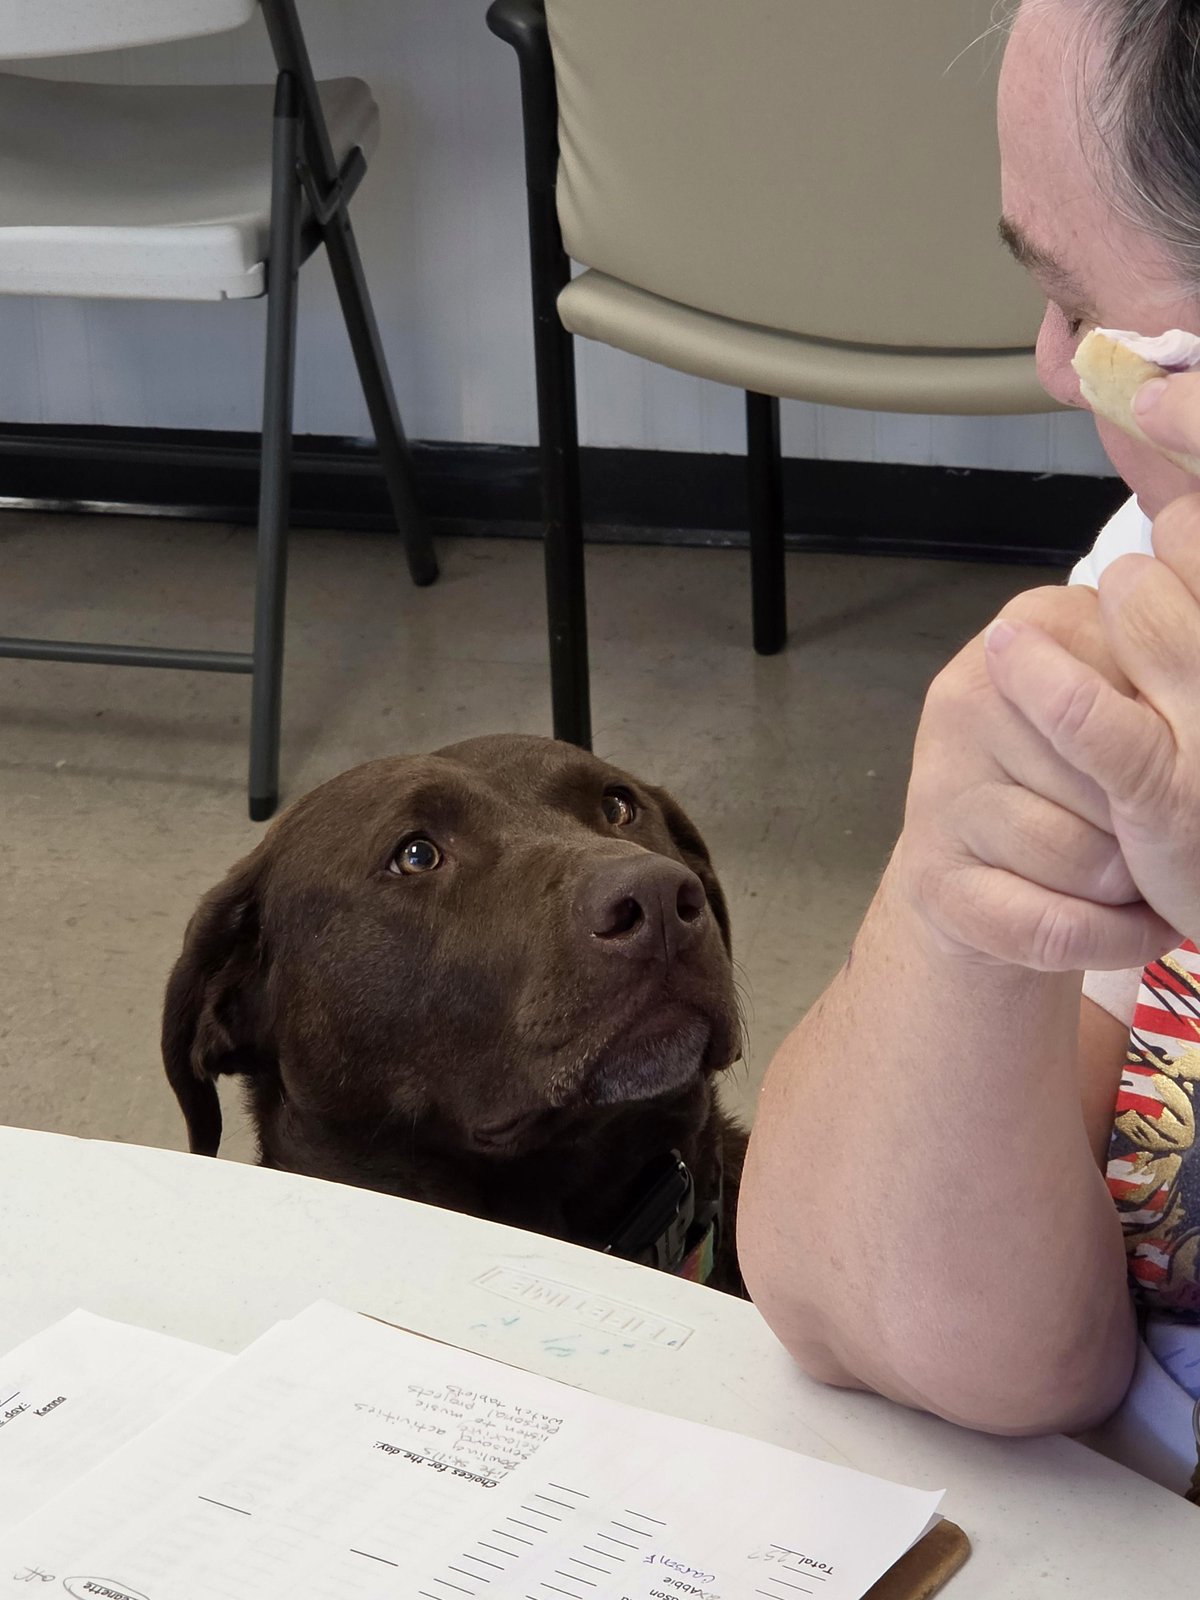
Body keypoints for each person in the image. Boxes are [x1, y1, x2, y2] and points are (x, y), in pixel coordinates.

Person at [736, 0, 1200, 1497]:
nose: (1056, 369)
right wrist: (959, 918)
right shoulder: (1156, 568)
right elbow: (885, 1314)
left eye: (1100, 327)